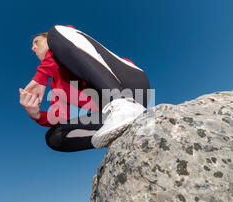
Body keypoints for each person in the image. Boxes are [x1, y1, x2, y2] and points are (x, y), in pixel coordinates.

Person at [19, 24, 151, 152]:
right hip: (111, 113)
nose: (33, 48)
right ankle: (118, 135)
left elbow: (60, 46)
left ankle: (124, 104)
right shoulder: (57, 86)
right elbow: (58, 117)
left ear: (46, 39)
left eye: (36, 42)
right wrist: (36, 115)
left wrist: (41, 77)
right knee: (54, 137)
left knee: (56, 33)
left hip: (129, 85)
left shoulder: (63, 35)